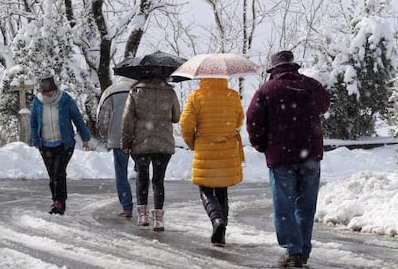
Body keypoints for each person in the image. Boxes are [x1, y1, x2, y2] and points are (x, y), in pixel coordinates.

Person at [246, 50, 330, 267]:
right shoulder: (311, 85)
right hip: (310, 155)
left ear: (273, 70)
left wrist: (262, 145)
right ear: (294, 66)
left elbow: (253, 121)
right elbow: (325, 105)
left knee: (284, 206)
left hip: (281, 157)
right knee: (306, 206)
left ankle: (293, 251)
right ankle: (302, 250)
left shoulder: (266, 90)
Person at [179, 78, 245, 246]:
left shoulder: (196, 97)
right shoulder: (233, 95)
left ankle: (217, 221)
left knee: (206, 190)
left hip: (205, 148)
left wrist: (192, 142)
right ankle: (222, 232)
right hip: (227, 149)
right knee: (222, 190)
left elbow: (185, 124)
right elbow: (239, 121)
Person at [121, 76, 180, 231]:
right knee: (158, 181)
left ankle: (142, 216)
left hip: (141, 143)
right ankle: (158, 220)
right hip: (164, 143)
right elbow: (176, 117)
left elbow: (127, 119)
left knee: (142, 176)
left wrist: (125, 142)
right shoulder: (170, 92)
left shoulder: (135, 92)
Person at [30, 74, 90, 215]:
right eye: (45, 92)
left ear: (55, 89)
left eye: (50, 91)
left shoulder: (65, 99)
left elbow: (77, 118)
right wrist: (36, 140)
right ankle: (56, 200)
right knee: (52, 176)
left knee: (59, 173)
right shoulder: (38, 102)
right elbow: (33, 122)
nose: (48, 94)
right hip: (45, 144)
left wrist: (85, 136)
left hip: (64, 144)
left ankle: (60, 202)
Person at [97, 76, 137, 218]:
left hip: (117, 137)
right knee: (141, 171)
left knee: (121, 171)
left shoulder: (111, 92)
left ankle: (127, 206)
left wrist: (105, 133)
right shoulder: (138, 90)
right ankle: (142, 205)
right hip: (137, 137)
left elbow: (103, 117)